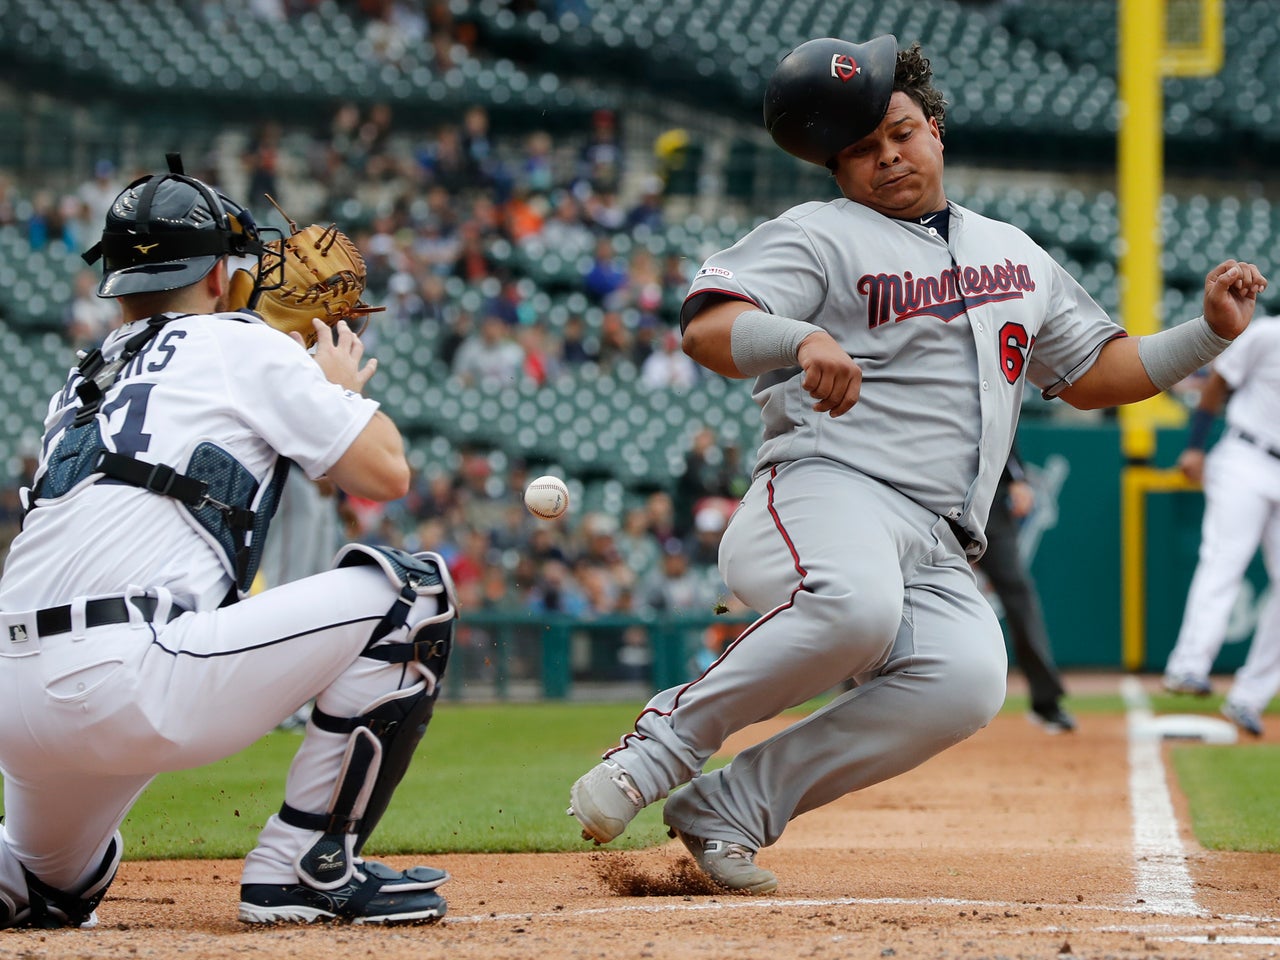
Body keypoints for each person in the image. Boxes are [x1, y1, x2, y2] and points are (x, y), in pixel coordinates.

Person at [567, 35, 1266, 894]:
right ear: (837, 168)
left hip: (941, 538)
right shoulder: (819, 235)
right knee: (855, 605)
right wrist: (801, 336)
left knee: (967, 679)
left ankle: (731, 810)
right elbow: (708, 328)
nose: (886, 157)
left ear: (935, 129)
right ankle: (657, 750)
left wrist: (1208, 336)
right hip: (826, 491)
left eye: (899, 132)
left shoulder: (1015, 253)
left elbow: (1093, 375)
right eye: (860, 149)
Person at [0, 162, 459, 928]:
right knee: (412, 593)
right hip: (127, 677)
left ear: (115, 278)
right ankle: (302, 867)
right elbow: (385, 473)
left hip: (15, 699)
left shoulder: (79, 380)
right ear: (221, 274)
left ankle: (24, 870)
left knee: (48, 884)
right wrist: (336, 386)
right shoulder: (241, 346)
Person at [1161, 314, 1280, 737]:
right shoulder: (1268, 334)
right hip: (1246, 457)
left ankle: (1249, 697)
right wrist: (1196, 447)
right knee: (1223, 562)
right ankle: (1188, 666)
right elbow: (1217, 384)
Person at [977, 446, 1074, 733]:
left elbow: (1000, 426)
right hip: (933, 498)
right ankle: (858, 690)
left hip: (988, 503)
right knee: (902, 588)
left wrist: (1017, 477)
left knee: (1018, 594)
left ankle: (1047, 702)